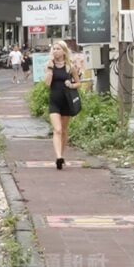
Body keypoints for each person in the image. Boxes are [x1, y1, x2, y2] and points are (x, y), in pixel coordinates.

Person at [44, 40, 80, 170]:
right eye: (54, 49)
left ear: (64, 51)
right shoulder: (50, 65)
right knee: (57, 130)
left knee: (64, 131)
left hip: (66, 101)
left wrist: (71, 85)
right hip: (54, 101)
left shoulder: (70, 66)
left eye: (58, 49)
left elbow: (78, 83)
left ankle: (61, 154)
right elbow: (47, 84)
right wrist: (49, 70)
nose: (55, 51)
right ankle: (58, 157)